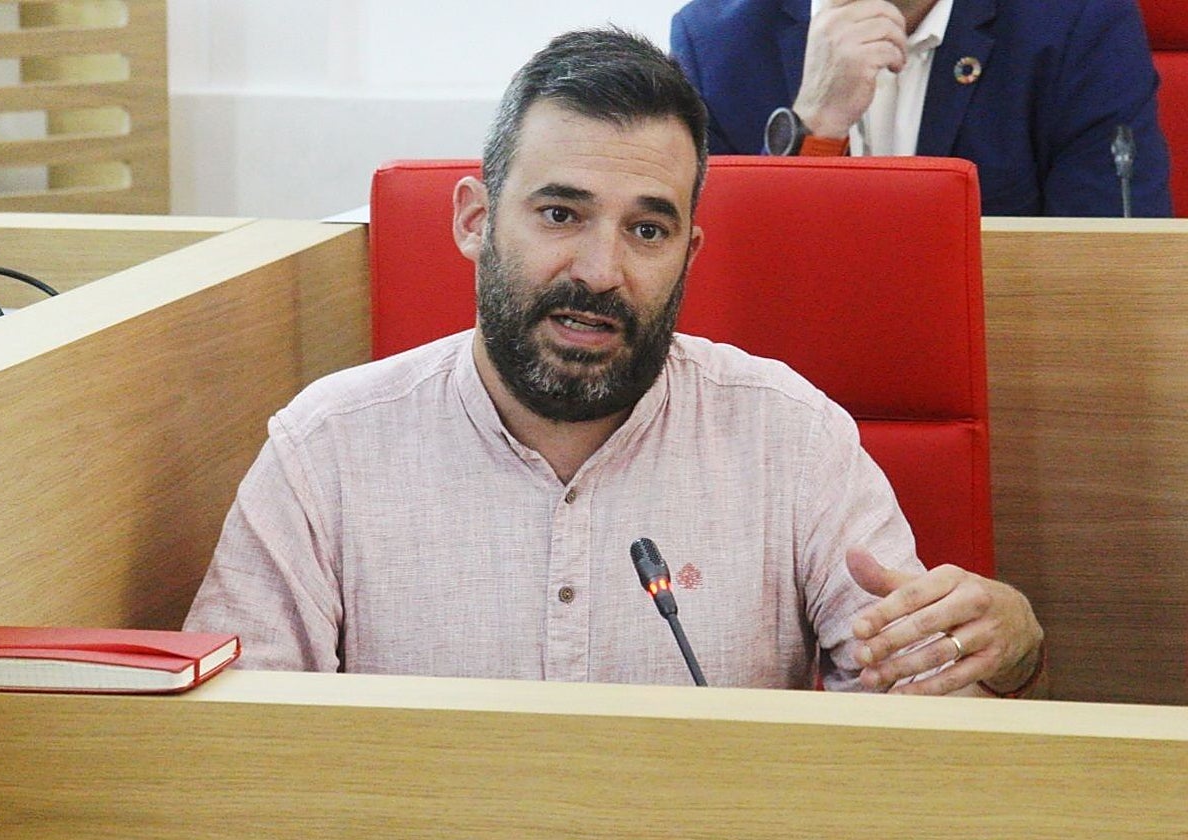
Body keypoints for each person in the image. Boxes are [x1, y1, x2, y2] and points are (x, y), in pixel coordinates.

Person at [184, 27, 1046, 698]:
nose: (600, 272)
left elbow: (928, 721)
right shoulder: (324, 454)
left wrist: (1001, 651)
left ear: (689, 250)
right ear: (474, 220)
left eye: (646, 229)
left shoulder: (792, 438)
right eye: (561, 214)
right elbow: (236, 756)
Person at [670, 0, 1172, 217]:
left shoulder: (1078, 27)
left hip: (1011, 370)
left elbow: (1110, 261)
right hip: (789, 378)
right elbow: (713, 277)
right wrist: (813, 128)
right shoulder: (715, 43)